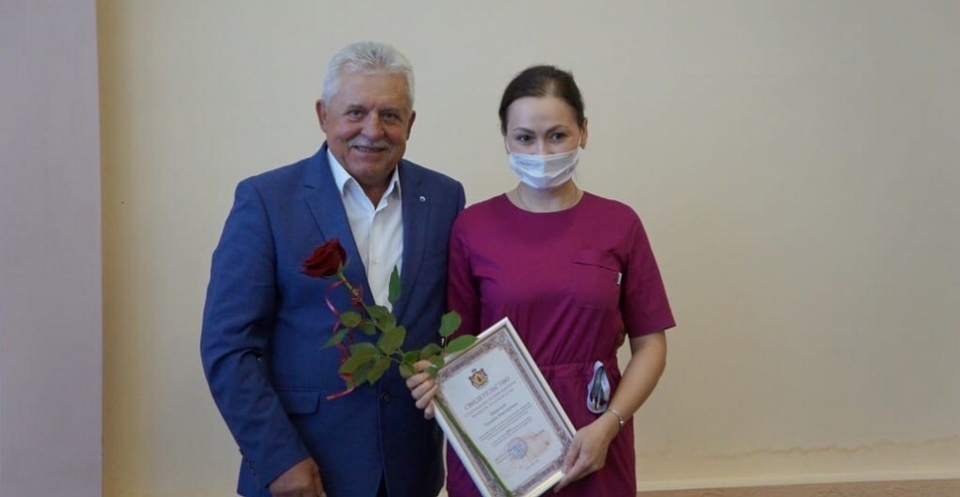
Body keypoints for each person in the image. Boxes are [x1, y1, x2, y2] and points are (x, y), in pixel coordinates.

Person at [201, 41, 465, 497]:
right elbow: (229, 347)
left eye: (390, 115)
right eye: (355, 112)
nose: (372, 130)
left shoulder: (444, 198)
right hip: (304, 471)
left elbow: (460, 323)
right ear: (323, 115)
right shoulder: (267, 201)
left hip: (409, 472)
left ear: (410, 123)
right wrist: (279, 460)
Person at [406, 65, 675, 496]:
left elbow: (651, 346)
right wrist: (434, 377)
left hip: (594, 433)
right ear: (506, 139)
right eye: (525, 138)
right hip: (498, 436)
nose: (542, 152)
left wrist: (610, 425)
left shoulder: (619, 224)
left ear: (583, 131)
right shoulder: (473, 228)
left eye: (557, 135)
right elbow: (457, 348)